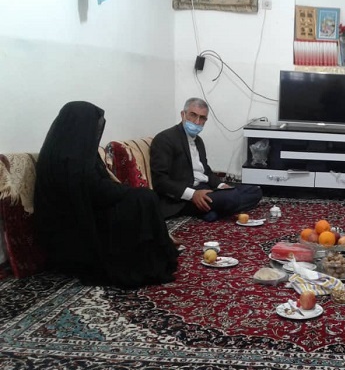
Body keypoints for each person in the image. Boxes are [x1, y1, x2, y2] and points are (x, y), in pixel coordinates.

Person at [34, 101, 178, 288]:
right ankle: (158, 252)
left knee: (141, 198)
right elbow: (98, 191)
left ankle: (162, 246)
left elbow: (97, 187)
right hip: (80, 226)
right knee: (144, 199)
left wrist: (124, 192)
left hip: (87, 212)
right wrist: (129, 192)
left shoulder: (62, 151)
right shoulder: (71, 159)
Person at [151, 97, 262, 222]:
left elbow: (206, 171)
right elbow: (160, 180)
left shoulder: (198, 141)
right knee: (230, 198)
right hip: (183, 197)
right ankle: (215, 208)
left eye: (202, 118)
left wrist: (221, 185)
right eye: (193, 115)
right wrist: (193, 195)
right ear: (183, 114)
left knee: (255, 191)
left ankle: (213, 211)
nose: (197, 122)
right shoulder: (165, 139)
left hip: (205, 189)